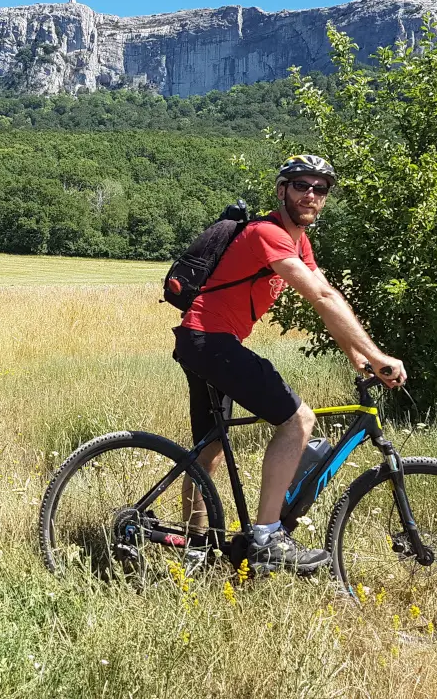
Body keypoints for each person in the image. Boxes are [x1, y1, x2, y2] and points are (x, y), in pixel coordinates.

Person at [173, 154, 407, 573]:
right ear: (282, 191)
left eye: (320, 189)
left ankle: (196, 546)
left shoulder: (299, 242)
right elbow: (323, 297)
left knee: (209, 450)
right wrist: (378, 355)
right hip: (208, 340)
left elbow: (325, 297)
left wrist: (356, 355)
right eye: (301, 185)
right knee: (298, 420)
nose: (311, 195)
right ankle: (267, 538)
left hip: (203, 340)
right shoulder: (268, 233)